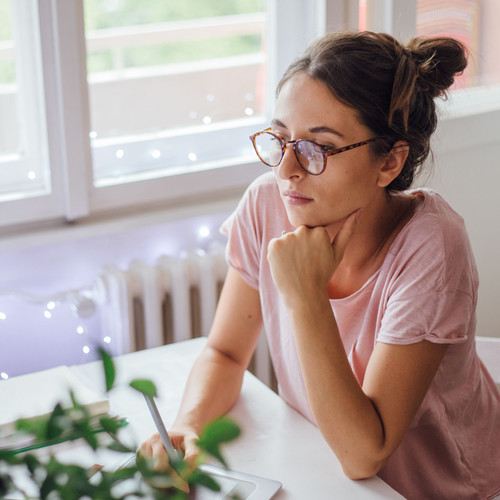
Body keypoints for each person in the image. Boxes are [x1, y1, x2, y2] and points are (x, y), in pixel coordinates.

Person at [141, 31, 500, 499]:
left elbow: (363, 454)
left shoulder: (432, 248)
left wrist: (306, 297)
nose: (287, 169)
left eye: (318, 148)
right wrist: (187, 427)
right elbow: (226, 353)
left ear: (389, 162)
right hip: (323, 468)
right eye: (281, 138)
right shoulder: (268, 203)